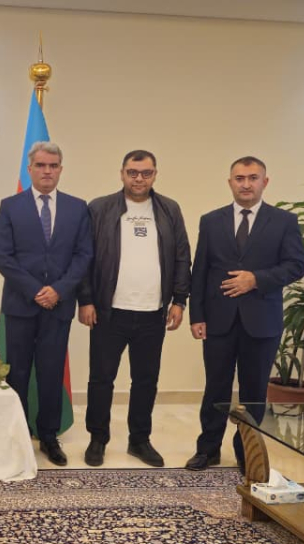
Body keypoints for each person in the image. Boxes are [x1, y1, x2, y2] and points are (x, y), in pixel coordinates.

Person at [186, 156, 304, 471]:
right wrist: (196, 315)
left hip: (262, 322)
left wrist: (256, 279)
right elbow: (200, 272)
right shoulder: (211, 221)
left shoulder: (284, 221)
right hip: (218, 321)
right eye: (240, 178)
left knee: (254, 392)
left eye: (253, 178)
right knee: (216, 388)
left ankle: (247, 452)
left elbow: (296, 265)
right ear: (230, 182)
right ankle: (208, 449)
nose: (246, 184)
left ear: (265, 182)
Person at [77, 150, 190, 467]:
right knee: (101, 379)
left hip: (153, 312)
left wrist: (179, 300)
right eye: (133, 172)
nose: (139, 178)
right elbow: (84, 257)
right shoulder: (99, 208)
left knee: (145, 380)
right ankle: (97, 438)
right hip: (108, 311)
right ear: (122, 173)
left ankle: (139, 440)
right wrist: (85, 300)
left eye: (146, 173)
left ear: (155, 174)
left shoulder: (169, 209)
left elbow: (182, 256)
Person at [0, 141, 93, 466]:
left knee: (51, 374)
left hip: (58, 307)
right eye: (41, 165)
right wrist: (36, 290)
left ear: (61, 169)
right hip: (20, 306)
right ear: (30, 169)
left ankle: (49, 436)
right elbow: (3, 257)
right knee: (18, 374)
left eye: (53, 166)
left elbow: (84, 256)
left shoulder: (78, 208)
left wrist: (58, 291)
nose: (47, 171)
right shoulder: (10, 206)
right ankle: (17, 437)